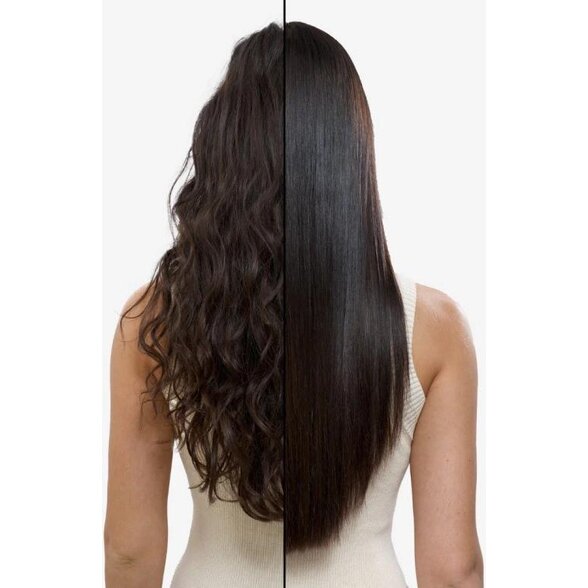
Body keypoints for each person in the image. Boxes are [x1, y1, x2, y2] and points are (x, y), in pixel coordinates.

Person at [104, 20, 483, 588]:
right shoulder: (433, 330)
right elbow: (453, 571)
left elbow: (129, 552)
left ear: (223, 147)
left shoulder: (155, 321)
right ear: (349, 155)